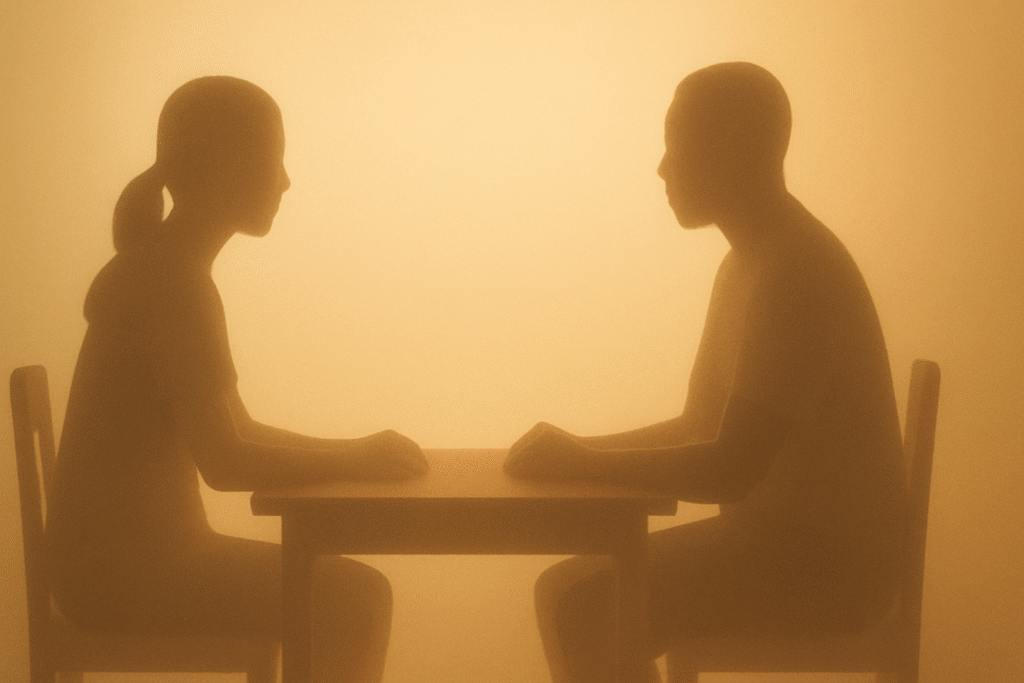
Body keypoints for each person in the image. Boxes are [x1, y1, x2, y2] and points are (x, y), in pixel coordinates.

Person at [504, 62, 908, 683]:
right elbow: (700, 424)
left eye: (677, 142)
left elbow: (729, 468)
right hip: (777, 550)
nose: (663, 167)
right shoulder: (747, 265)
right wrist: (577, 450)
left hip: (830, 571)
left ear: (733, 148)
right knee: (570, 593)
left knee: (582, 604)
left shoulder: (796, 274)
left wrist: (583, 461)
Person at [46, 76, 428, 683]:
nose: (284, 180)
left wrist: (357, 451)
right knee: (354, 598)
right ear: (225, 165)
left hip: (111, 571)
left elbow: (238, 428)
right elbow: (227, 464)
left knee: (351, 591)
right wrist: (354, 457)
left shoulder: (166, 269)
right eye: (273, 158)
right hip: (128, 579)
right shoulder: (172, 283)